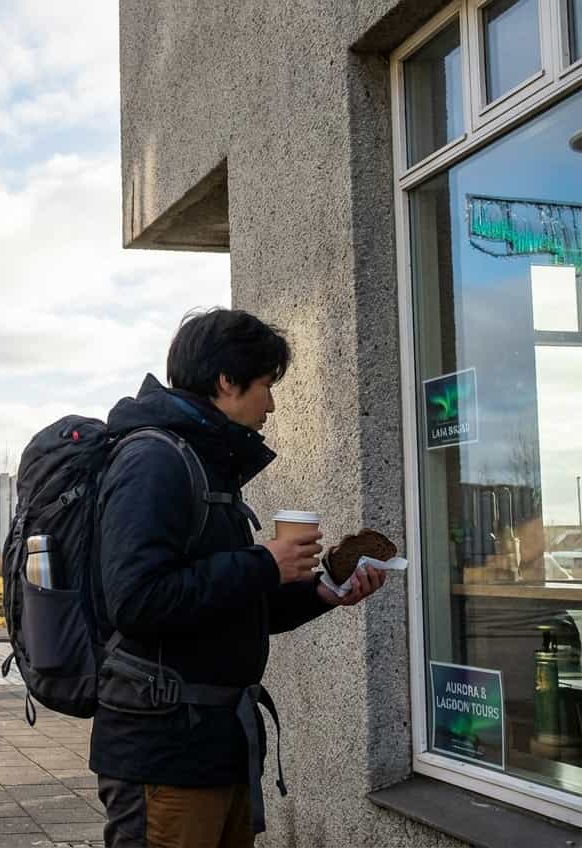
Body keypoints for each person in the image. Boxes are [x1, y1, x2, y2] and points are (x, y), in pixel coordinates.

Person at [91, 308, 388, 848]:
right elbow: (135, 600)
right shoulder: (154, 460)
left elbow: (227, 604)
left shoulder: (208, 465)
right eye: (265, 386)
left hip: (214, 745)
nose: (271, 404)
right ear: (226, 381)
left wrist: (323, 590)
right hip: (165, 754)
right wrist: (262, 562)